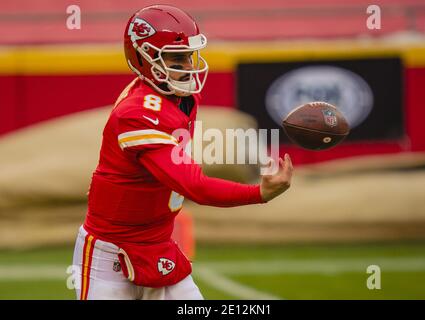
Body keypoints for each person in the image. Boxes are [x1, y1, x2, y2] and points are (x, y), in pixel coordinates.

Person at [72, 4, 293, 300]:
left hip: (158, 243)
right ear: (143, 57)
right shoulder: (136, 114)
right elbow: (194, 187)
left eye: (188, 56)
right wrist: (258, 194)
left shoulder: (180, 96)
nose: (188, 67)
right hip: (111, 253)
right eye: (176, 58)